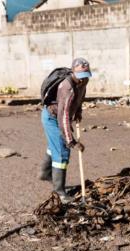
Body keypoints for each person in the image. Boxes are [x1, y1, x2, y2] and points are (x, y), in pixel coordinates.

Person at [39, 58, 92, 203]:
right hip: (52, 118)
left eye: (86, 76)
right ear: (73, 73)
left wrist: (79, 111)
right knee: (62, 152)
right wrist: (71, 141)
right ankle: (60, 192)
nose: (83, 81)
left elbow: (80, 97)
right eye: (80, 77)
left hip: (60, 116)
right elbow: (63, 116)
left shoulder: (84, 81)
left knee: (54, 146)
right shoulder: (66, 87)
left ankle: (45, 173)